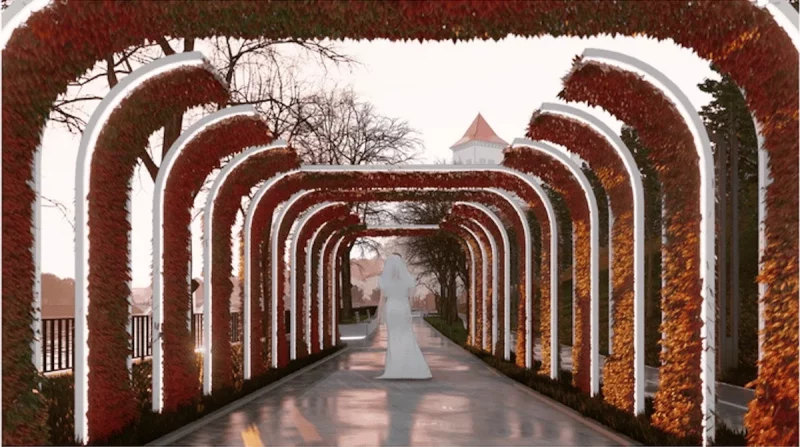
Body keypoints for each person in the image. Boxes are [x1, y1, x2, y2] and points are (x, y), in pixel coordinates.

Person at [375, 253, 432, 380]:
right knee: (407, 336)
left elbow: (381, 300)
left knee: (393, 338)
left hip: (391, 309)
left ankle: (394, 368)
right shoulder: (408, 279)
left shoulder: (384, 280)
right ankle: (411, 367)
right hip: (403, 308)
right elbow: (411, 299)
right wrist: (407, 307)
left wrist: (379, 314)